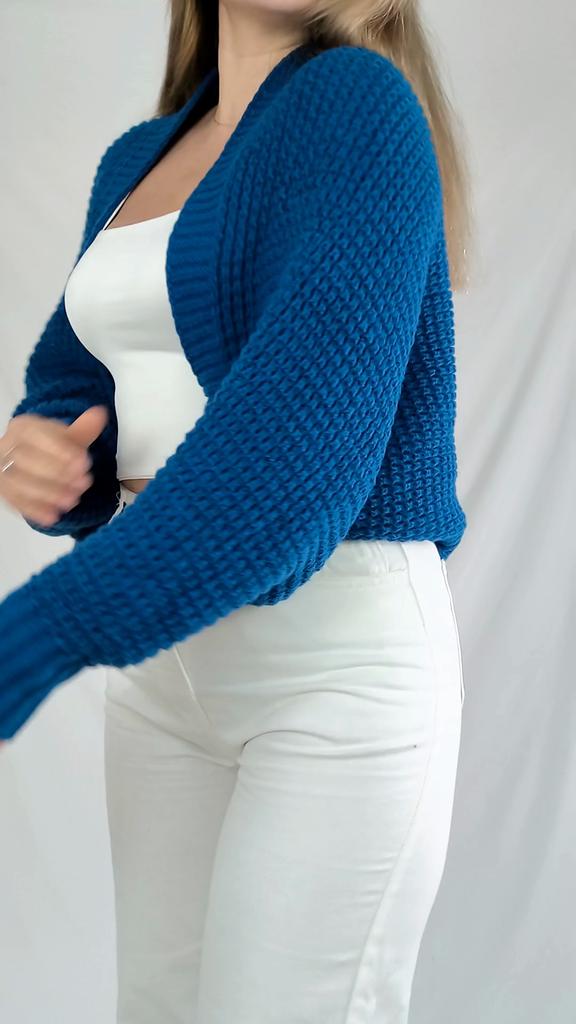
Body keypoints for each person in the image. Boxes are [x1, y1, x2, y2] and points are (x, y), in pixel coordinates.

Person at [0, 1, 473, 1021]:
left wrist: (26, 639)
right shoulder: (137, 157)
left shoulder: (359, 108)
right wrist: (46, 454)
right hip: (164, 674)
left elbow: (287, 478)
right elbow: (76, 381)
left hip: (334, 672)